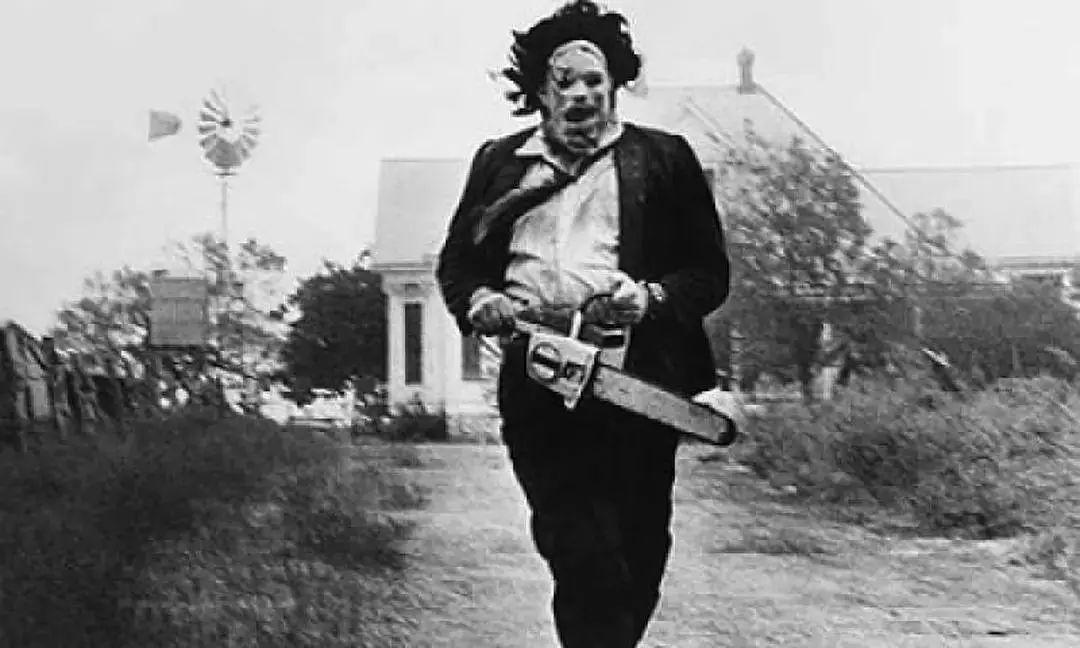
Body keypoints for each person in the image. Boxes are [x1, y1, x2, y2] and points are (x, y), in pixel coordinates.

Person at [436, 2, 730, 645]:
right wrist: (480, 299)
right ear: (539, 93)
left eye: (593, 80)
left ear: (615, 84)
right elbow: (458, 265)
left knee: (637, 548)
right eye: (563, 81)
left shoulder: (663, 160)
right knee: (580, 549)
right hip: (537, 375)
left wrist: (649, 299)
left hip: (636, 381)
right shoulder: (500, 164)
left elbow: (708, 274)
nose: (580, 94)